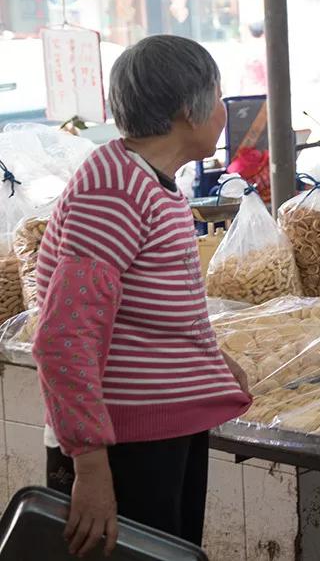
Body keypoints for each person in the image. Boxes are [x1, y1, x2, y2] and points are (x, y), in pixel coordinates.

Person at [33, 35, 252, 558]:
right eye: (218, 95)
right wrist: (90, 466)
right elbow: (64, 337)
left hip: (158, 433)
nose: (224, 110)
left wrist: (210, 362)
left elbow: (144, 308)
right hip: (125, 446)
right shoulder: (112, 190)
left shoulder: (151, 182)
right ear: (186, 109)